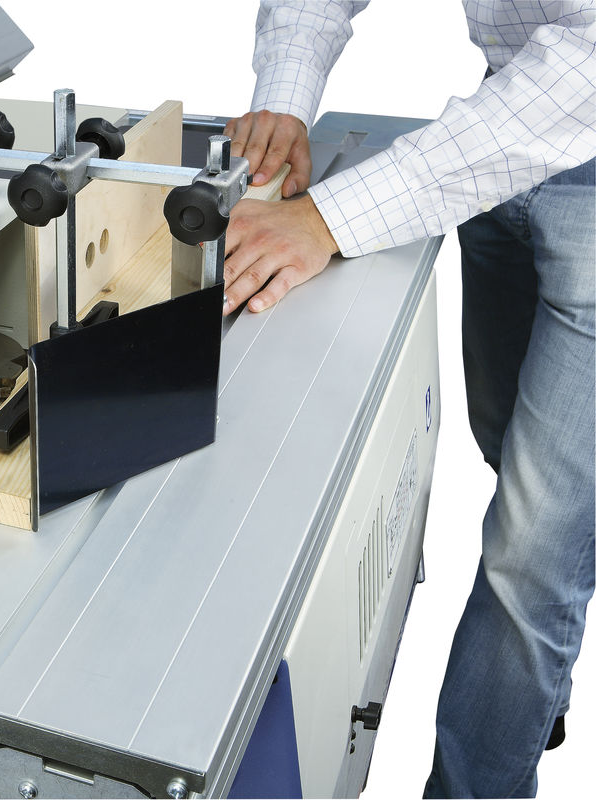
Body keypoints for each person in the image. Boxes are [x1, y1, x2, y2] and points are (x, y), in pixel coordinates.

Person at [220, 2, 595, 796]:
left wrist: (326, 218)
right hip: (504, 137)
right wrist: (285, 97)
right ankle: (531, 701)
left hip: (576, 124)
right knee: (505, 446)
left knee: (533, 549)